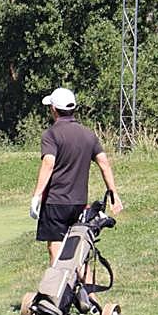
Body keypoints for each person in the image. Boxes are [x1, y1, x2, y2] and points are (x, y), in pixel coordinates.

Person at [29, 87, 123, 264]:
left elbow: (48, 164)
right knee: (77, 248)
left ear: (54, 109)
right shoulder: (88, 134)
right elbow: (104, 163)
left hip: (56, 202)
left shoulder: (51, 134)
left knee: (56, 249)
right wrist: (114, 194)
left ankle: (60, 289)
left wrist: (36, 196)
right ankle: (86, 289)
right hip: (79, 202)